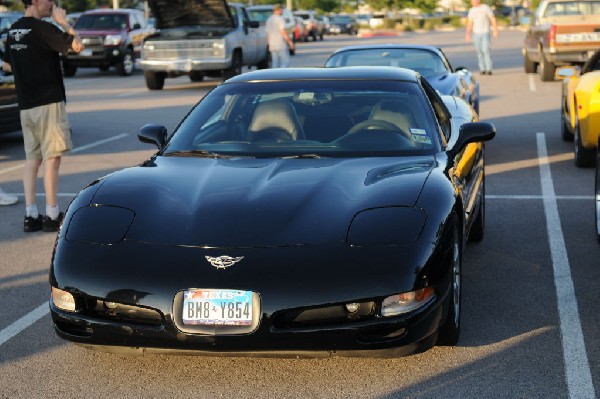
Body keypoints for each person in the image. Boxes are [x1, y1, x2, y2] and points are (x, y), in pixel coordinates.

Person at [2, 0, 84, 232]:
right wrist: (64, 22)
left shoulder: (14, 29)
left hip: (26, 104)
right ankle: (51, 214)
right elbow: (77, 46)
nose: (53, 4)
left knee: (32, 159)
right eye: (49, 0)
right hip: (48, 101)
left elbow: (8, 65)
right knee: (52, 158)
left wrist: (27, 63)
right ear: (36, 1)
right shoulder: (44, 28)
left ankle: (30, 215)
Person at [465, 0, 498, 75]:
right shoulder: (472, 10)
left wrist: (495, 30)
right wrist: (468, 34)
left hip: (485, 32)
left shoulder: (485, 8)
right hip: (476, 33)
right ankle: (482, 68)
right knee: (479, 51)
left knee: (485, 50)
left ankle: (489, 68)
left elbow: (492, 18)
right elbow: (470, 23)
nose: (473, 2)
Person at [265, 4, 294, 68]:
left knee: (275, 63)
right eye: (281, 10)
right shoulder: (280, 19)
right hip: (280, 44)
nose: (282, 11)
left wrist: (269, 44)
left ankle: (274, 76)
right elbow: (283, 32)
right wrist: (290, 42)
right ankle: (282, 75)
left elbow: (268, 33)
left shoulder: (269, 20)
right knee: (286, 62)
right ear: (278, 10)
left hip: (272, 45)